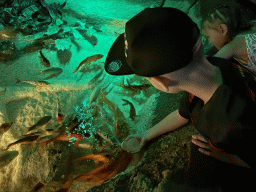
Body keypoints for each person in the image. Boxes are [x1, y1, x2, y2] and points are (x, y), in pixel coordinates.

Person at [104, 7, 255, 191]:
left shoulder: (229, 124)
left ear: (162, 83)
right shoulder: (217, 65)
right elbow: (183, 114)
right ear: (199, 42)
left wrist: (225, 157)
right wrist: (145, 135)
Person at [201, 3, 256, 77]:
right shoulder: (253, 25)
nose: (209, 42)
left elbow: (208, 68)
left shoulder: (232, 47)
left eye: (208, 37)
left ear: (222, 29)